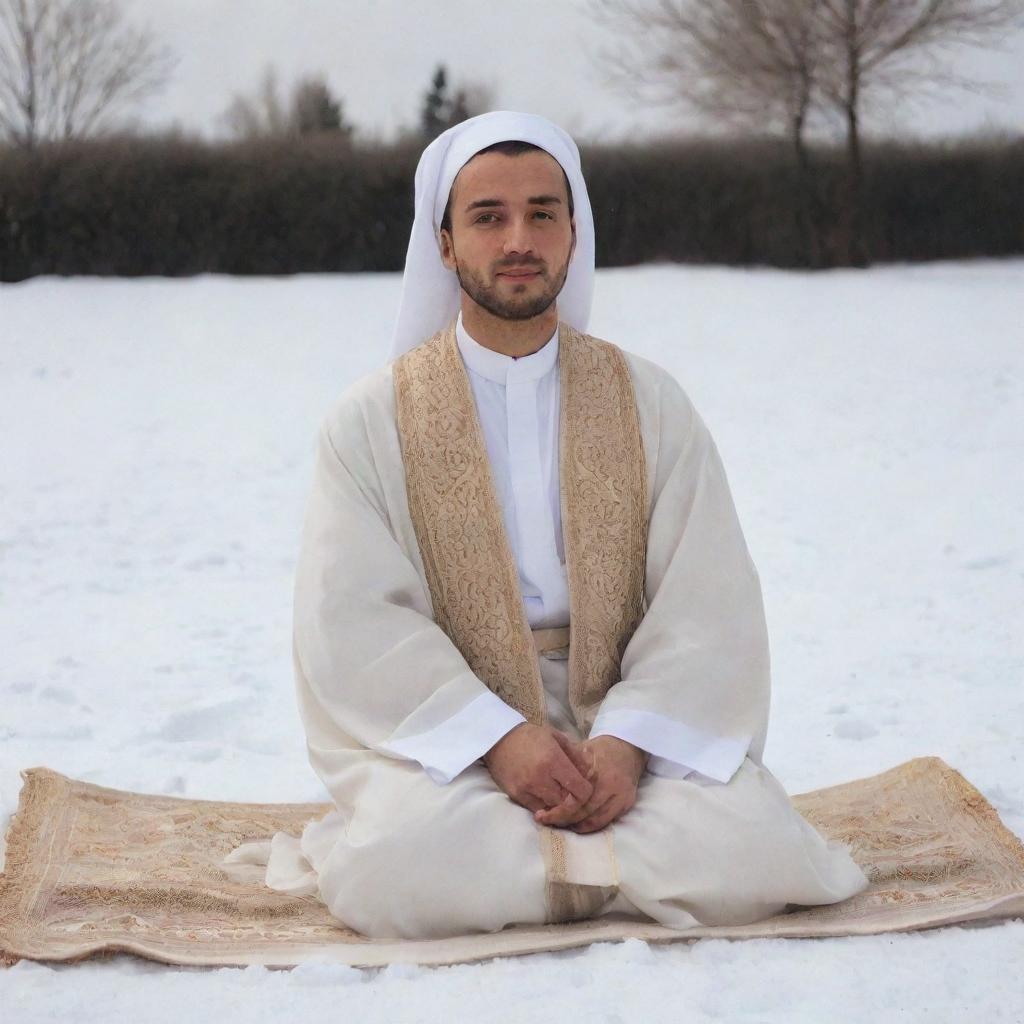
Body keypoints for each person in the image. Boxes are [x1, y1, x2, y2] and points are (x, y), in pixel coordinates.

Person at [225, 110, 869, 939]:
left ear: (574, 231)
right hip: (456, 739)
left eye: (542, 213)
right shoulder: (371, 421)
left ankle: (526, 873)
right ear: (447, 243)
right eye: (488, 217)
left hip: (624, 719)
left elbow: (705, 605)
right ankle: (621, 872)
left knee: (764, 843)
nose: (518, 239)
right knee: (399, 863)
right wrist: (500, 741)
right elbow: (355, 624)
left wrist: (630, 745)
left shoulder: (651, 404)